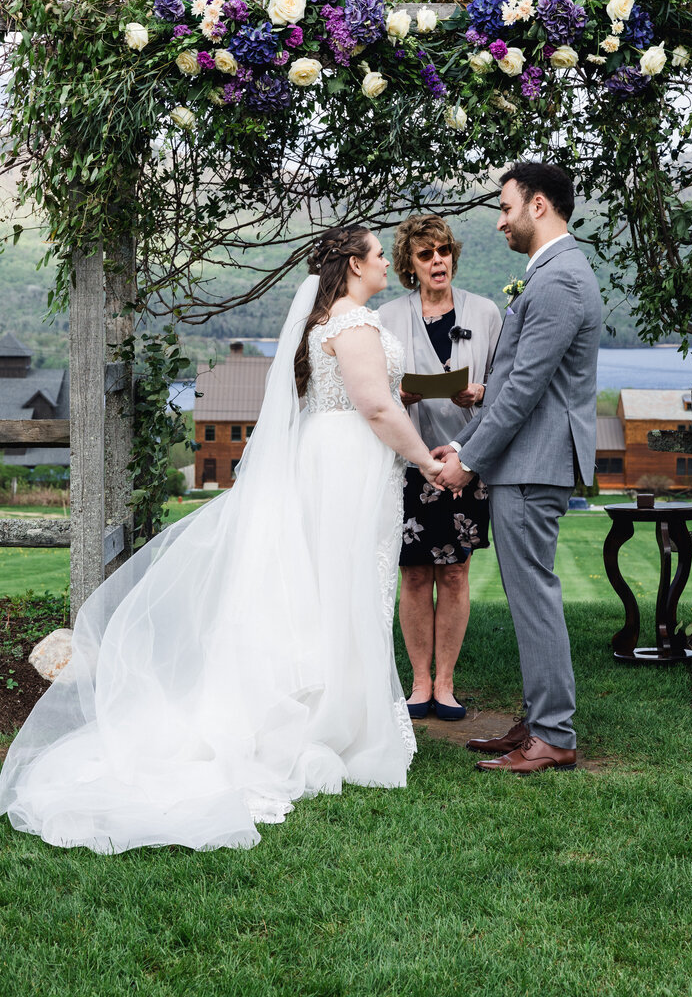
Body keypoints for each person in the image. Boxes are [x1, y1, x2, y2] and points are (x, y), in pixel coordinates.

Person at [0, 226, 444, 853]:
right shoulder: (356, 325)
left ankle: (339, 708)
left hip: (329, 455)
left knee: (328, 583)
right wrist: (428, 460)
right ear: (354, 264)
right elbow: (375, 406)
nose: (385, 264)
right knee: (345, 582)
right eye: (378, 255)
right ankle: (342, 723)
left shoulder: (327, 326)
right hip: (347, 462)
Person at [435, 162, 602, 774]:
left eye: (505, 208)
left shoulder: (559, 281)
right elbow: (507, 383)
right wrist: (465, 445)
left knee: (533, 596)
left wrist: (469, 460)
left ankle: (554, 735)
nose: (499, 221)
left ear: (537, 206)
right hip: (527, 461)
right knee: (528, 593)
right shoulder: (551, 275)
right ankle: (538, 721)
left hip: (535, 465)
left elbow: (525, 389)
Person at [380, 215, 501, 721]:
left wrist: (479, 392)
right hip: (409, 463)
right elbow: (369, 392)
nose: (438, 261)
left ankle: (447, 684)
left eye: (444, 251)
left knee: (453, 574)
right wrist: (398, 393)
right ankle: (419, 682)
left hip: (465, 460)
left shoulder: (487, 312)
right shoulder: (386, 318)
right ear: (410, 264)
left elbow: (508, 387)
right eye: (426, 254)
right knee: (412, 576)